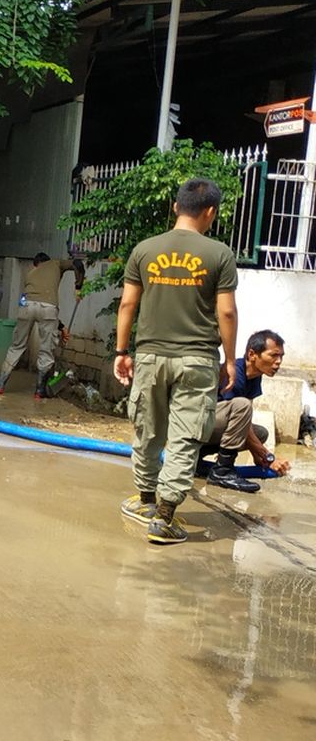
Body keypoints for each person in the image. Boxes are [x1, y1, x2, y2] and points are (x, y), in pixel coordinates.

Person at [115, 178, 239, 545]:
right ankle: (166, 518)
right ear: (211, 212)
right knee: (186, 436)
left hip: (151, 356)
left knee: (148, 428)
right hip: (198, 360)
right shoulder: (219, 254)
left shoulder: (145, 249)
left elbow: (127, 305)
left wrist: (122, 352)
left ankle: (146, 500)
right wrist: (230, 360)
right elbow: (227, 313)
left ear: (175, 206)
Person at [197, 329, 291, 493]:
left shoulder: (255, 376)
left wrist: (258, 455)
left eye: (281, 356)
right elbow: (239, 414)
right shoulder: (234, 373)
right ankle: (222, 471)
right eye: (273, 355)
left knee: (260, 433)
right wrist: (268, 457)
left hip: (212, 426)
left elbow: (243, 422)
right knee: (242, 405)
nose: (278, 362)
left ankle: (199, 459)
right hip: (196, 424)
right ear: (252, 354)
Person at [0, 253, 85, 397]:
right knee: (46, 350)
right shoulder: (56, 263)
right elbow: (78, 264)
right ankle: (39, 391)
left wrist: (61, 327)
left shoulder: (30, 273)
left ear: (35, 264)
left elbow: (32, 304)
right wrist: (78, 287)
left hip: (26, 305)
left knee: (17, 346)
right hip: (49, 309)